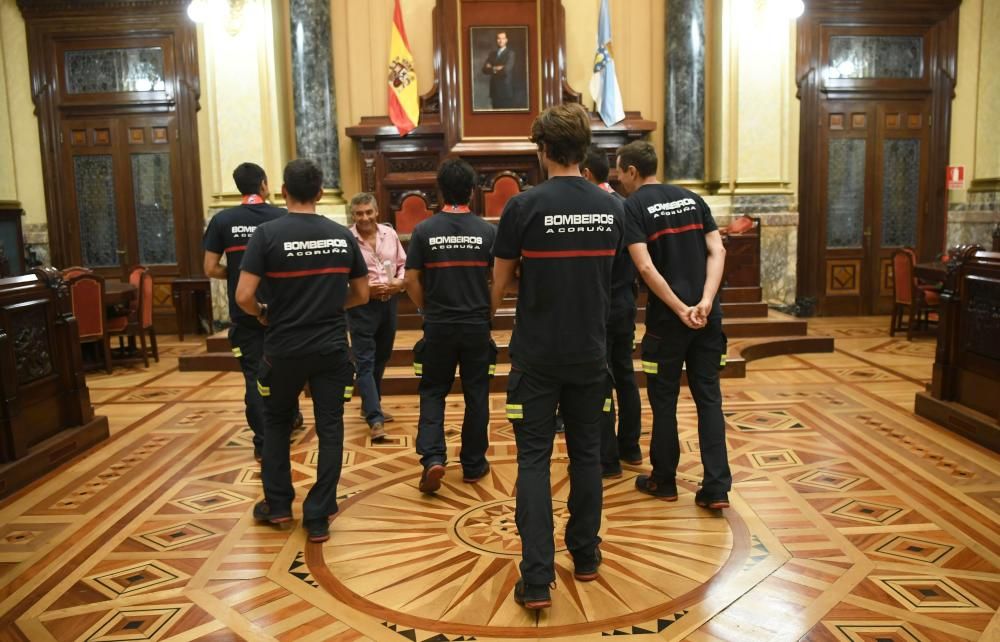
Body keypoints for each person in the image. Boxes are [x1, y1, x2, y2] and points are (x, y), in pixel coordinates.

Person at [492, 102, 624, 610]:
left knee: (533, 461)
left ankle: (536, 578)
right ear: (584, 150)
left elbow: (499, 286)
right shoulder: (612, 207)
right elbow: (612, 280)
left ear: (543, 149)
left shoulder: (522, 207)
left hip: (536, 356)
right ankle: (587, 556)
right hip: (591, 354)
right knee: (588, 455)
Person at [236, 158, 369, 543]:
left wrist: (264, 312)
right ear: (321, 192)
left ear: (282, 192)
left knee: (276, 423)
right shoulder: (342, 237)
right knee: (330, 428)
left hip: (283, 349)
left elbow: (244, 295)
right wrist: (329, 306)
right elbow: (360, 294)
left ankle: (277, 506)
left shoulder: (266, 234)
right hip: (330, 348)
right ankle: (318, 515)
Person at [616, 140, 732, 510]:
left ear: (633, 171)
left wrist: (681, 308)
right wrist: (705, 300)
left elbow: (645, 266)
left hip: (668, 323)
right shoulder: (692, 198)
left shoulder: (633, 206)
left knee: (663, 401)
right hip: (707, 318)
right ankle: (716, 488)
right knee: (709, 399)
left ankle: (663, 480)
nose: (619, 180)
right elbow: (718, 250)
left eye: (620, 172)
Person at [405, 158, 496, 493]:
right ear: (472, 192)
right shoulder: (487, 231)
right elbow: (499, 278)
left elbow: (410, 279)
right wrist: (489, 310)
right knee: (477, 394)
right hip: (475, 326)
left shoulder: (424, 231)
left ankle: (432, 458)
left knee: (432, 392)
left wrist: (426, 307)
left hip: (439, 326)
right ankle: (473, 464)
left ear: (439, 190)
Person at [203, 162, 301, 463]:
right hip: (280, 311)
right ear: (264, 185)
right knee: (285, 370)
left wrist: (237, 275)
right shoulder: (283, 216)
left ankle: (262, 441)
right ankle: (288, 422)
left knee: (253, 376)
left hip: (244, 312)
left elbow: (209, 268)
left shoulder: (222, 220)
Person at [580, 148, 642, 477]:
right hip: (625, 302)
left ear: (587, 174)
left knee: (600, 380)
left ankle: (607, 458)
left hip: (600, 305)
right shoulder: (624, 206)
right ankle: (630, 447)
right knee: (626, 374)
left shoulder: (593, 208)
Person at [348, 193, 407, 441]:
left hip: (388, 304)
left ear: (376, 212)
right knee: (365, 360)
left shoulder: (389, 234)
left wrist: (398, 283)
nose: (364, 218)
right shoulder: (346, 239)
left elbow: (403, 263)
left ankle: (368, 405)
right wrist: (363, 290)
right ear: (353, 215)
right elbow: (342, 274)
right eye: (359, 213)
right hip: (361, 306)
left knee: (382, 356)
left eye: (368, 212)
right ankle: (375, 418)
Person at [481, 30, 515, 108]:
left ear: (506, 40)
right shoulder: (492, 54)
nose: (500, 41)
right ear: (496, 40)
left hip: (505, 90)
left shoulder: (510, 53)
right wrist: (497, 68)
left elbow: (506, 70)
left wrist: (491, 68)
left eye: (503, 38)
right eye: (498, 38)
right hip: (494, 90)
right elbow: (484, 70)